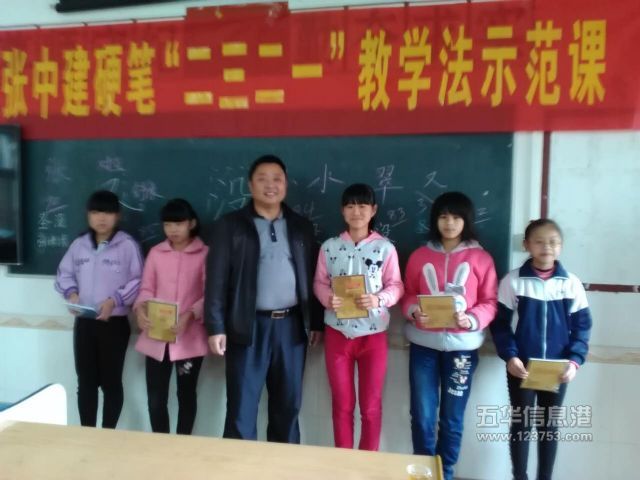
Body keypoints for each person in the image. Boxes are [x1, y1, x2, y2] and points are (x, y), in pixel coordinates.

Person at [204, 154, 323, 443]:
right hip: (247, 327)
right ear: (250, 185)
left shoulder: (301, 226)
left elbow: (313, 276)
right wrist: (215, 326)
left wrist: (316, 322)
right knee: (241, 408)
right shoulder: (230, 225)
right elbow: (216, 279)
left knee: (288, 406)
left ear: (286, 184)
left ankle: (282, 465)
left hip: (292, 328)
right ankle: (239, 465)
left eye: (277, 179)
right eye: (262, 179)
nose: (271, 185)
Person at [401, 191, 498, 480]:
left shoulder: (481, 258)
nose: (449, 222)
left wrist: (471, 319)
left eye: (456, 217)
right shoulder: (419, 256)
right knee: (422, 416)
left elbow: (490, 301)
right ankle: (424, 473)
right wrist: (414, 312)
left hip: (462, 350)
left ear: (466, 220)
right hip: (424, 347)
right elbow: (408, 294)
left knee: (452, 419)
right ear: (435, 220)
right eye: (443, 216)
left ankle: (447, 474)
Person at [490, 219, 592, 480]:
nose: (547, 247)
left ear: (561, 246)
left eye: (553, 242)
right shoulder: (513, 281)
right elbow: (500, 324)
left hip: (557, 369)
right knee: (521, 424)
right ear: (526, 245)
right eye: (539, 241)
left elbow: (582, 327)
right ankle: (520, 476)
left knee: (548, 426)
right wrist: (510, 356)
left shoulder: (570, 283)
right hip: (522, 367)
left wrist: (574, 362)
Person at [313, 183, 403, 451]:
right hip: (338, 334)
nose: (356, 211)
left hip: (373, 336)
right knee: (342, 404)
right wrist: (327, 298)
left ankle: (368, 462)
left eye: (362, 206)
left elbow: (396, 285)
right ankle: (343, 460)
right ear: (342, 210)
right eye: (350, 206)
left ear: (373, 210)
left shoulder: (385, 248)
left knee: (371, 406)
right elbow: (319, 282)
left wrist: (379, 299)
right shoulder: (329, 247)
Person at [54, 190, 143, 428]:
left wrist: (115, 300)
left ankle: (107, 434)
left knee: (111, 383)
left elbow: (138, 280)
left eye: (107, 212)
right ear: (88, 215)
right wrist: (72, 293)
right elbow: (64, 274)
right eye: (95, 212)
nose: (101, 218)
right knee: (86, 382)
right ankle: (87, 433)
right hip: (85, 322)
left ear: (117, 215)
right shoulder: (79, 245)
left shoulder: (127, 245)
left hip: (114, 324)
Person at [134, 199, 209, 435]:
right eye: (167, 224)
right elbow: (146, 288)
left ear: (191, 223)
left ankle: (182, 445)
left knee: (186, 395)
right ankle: (161, 444)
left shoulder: (204, 254)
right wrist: (140, 310)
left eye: (178, 223)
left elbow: (210, 294)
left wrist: (190, 314)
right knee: (156, 397)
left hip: (189, 338)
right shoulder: (156, 253)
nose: (173, 230)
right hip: (156, 336)